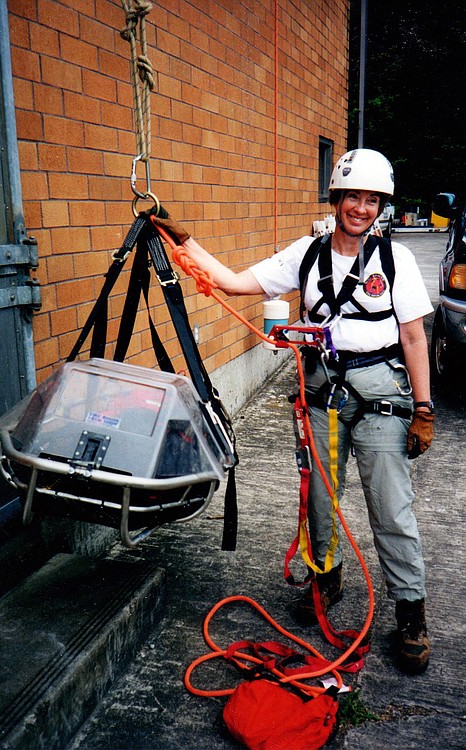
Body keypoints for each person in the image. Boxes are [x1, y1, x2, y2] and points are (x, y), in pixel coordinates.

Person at [155, 148, 435, 674]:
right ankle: (325, 580)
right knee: (320, 500)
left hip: (380, 395)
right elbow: (235, 282)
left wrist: (423, 408)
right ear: (336, 200)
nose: (361, 207)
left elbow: (414, 336)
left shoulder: (395, 262)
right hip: (321, 391)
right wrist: (181, 240)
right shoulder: (305, 255)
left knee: (390, 505)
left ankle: (410, 612)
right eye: (353, 196)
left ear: (380, 207)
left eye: (372, 200)